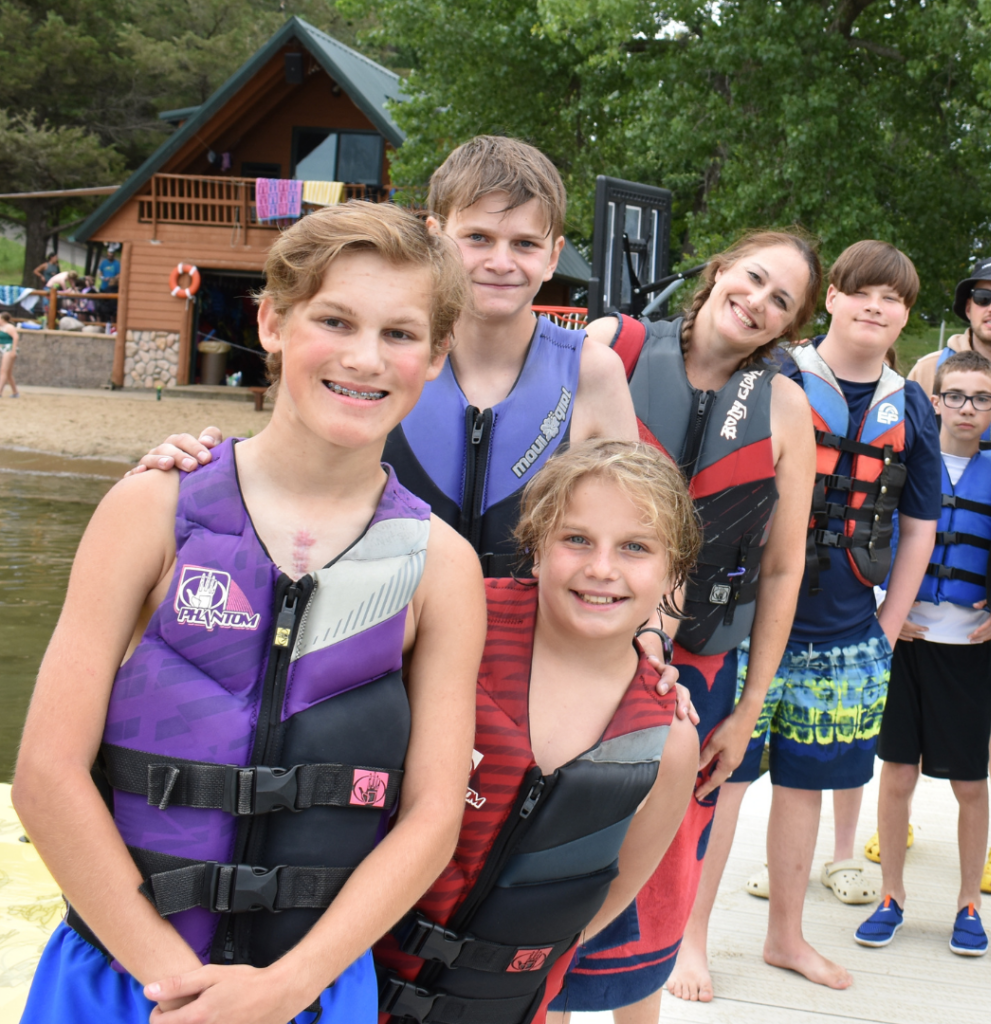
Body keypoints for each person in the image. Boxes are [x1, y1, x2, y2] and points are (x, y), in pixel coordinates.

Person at [12, 202, 487, 1024]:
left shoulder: (441, 568)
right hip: (125, 977)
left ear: (439, 355)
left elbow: (434, 816)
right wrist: (177, 988)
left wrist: (285, 988)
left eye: (401, 334)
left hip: (307, 986)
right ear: (271, 321)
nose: (365, 358)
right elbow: (45, 775)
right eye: (334, 320)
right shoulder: (151, 511)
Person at [134, 135, 637, 580]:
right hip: (382, 639)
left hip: (527, 655)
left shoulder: (591, 371)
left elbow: (637, 525)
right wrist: (202, 460)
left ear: (553, 256)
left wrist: (651, 638)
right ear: (437, 235)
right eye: (478, 237)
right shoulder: (385, 362)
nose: (500, 262)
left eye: (524, 244)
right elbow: (284, 466)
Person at [560, 231, 821, 1021]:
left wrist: (748, 711)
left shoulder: (783, 408)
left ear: (790, 327)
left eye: (782, 301)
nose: (758, 302)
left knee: (668, 864)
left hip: (699, 670)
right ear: (720, 270)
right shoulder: (616, 347)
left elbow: (780, 569)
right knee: (554, 848)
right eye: (754, 277)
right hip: (575, 651)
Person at [375, 439, 701, 1024]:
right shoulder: (451, 620)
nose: (602, 568)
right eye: (576, 539)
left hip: (494, 1005)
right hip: (351, 979)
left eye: (635, 548)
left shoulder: (667, 738)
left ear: (674, 571)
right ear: (536, 547)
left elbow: (609, 896)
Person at [700, 240, 938, 994]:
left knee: (806, 788)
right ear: (830, 297)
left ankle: (785, 938)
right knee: (721, 785)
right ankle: (688, 940)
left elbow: (921, 523)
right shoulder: (772, 377)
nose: (875, 307)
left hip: (847, 633)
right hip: (746, 621)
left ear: (905, 315)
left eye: (893, 299)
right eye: (861, 291)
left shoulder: (915, 405)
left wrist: (888, 624)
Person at [854, 349, 991, 958]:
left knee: (970, 784)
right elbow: (873, 536)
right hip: (908, 644)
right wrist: (888, 611)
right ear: (935, 402)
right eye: (955, 396)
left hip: (966, 651)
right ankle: (891, 896)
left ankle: (967, 904)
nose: (967, 408)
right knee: (896, 773)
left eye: (981, 399)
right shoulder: (904, 468)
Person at [907, 259, 991, 897]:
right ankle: (902, 822)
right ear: (968, 305)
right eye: (984, 297)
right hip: (933, 556)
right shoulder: (931, 368)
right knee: (911, 714)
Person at [0, 312, 19, 397]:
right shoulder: (1, 327)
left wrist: (13, 351)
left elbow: (15, 337)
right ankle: (15, 392)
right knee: (8, 373)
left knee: (3, 370)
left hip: (9, 348)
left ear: (3, 319)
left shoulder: (9, 327)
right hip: (3, 348)